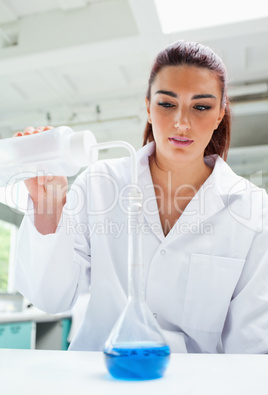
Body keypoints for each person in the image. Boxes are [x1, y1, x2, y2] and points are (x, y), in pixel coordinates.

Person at [14, 40, 268, 353]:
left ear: (219, 115)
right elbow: (50, 297)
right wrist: (47, 206)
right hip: (103, 376)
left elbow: (252, 343)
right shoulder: (100, 183)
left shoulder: (252, 208)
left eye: (201, 106)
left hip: (196, 388)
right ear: (148, 107)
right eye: (167, 104)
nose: (181, 123)